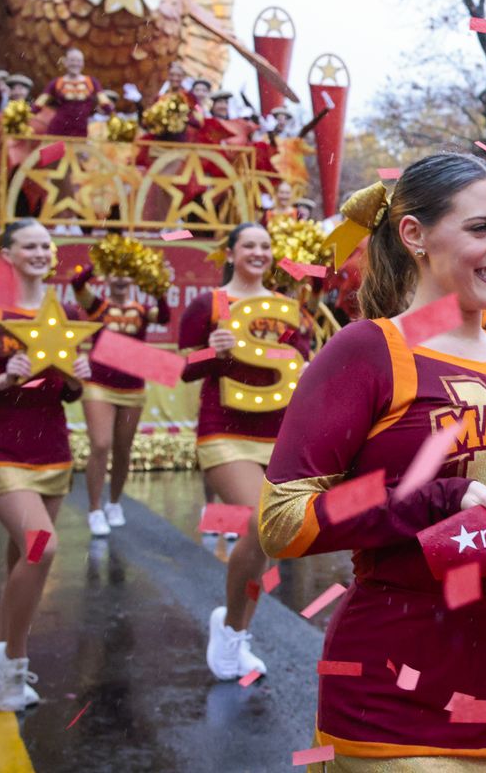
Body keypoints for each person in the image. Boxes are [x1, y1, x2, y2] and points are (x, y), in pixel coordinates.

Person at [259, 155, 486, 771]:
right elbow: (284, 521)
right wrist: (429, 501)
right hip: (396, 710)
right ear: (414, 234)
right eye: (481, 228)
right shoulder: (366, 350)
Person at [0, 218, 92, 712]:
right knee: (42, 547)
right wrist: (0, 380)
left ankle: (5, 664)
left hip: (51, 450)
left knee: (23, 561)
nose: (40, 253)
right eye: (29, 245)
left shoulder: (65, 313)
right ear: (6, 255)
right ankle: (11, 663)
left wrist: (77, 378)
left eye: (45, 246)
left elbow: (67, 394)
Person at [179, 222, 312, 680]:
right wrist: (210, 352)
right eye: (249, 245)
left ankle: (234, 632)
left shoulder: (288, 307)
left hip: (279, 434)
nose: (258, 252)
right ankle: (232, 630)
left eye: (265, 245)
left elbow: (301, 363)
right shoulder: (208, 305)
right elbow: (183, 368)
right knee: (261, 522)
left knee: (267, 539)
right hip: (224, 431)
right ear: (231, 253)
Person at [72, 253, 171, 536]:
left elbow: (164, 317)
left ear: (133, 279)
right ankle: (94, 509)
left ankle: (114, 502)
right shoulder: (97, 306)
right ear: (107, 277)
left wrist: (158, 288)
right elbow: (77, 282)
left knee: (123, 449)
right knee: (100, 444)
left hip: (132, 387)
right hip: (98, 385)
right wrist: (101, 262)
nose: (120, 278)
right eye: (114, 273)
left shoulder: (142, 310)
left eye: (125, 273)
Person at [33, 48, 106, 138]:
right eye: (72, 60)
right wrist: (23, 118)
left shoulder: (92, 82)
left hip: (81, 131)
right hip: (58, 130)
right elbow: (38, 104)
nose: (75, 64)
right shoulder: (56, 82)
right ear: (65, 62)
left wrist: (115, 118)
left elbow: (105, 103)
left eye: (78, 61)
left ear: (83, 63)